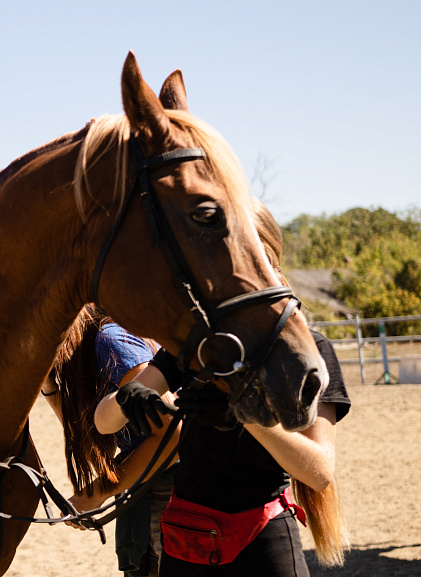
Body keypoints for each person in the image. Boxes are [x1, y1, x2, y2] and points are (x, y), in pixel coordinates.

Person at [96, 201, 351, 576]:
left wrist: (244, 413)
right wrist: (126, 395)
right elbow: (104, 423)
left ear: (269, 261)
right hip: (187, 535)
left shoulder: (311, 350)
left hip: (262, 537)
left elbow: (318, 471)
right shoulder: (195, 344)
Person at [43, 308, 179, 577]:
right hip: (147, 482)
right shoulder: (98, 344)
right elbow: (91, 435)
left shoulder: (111, 340)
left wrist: (96, 494)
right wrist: (49, 386)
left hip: (170, 485)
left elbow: (173, 436)